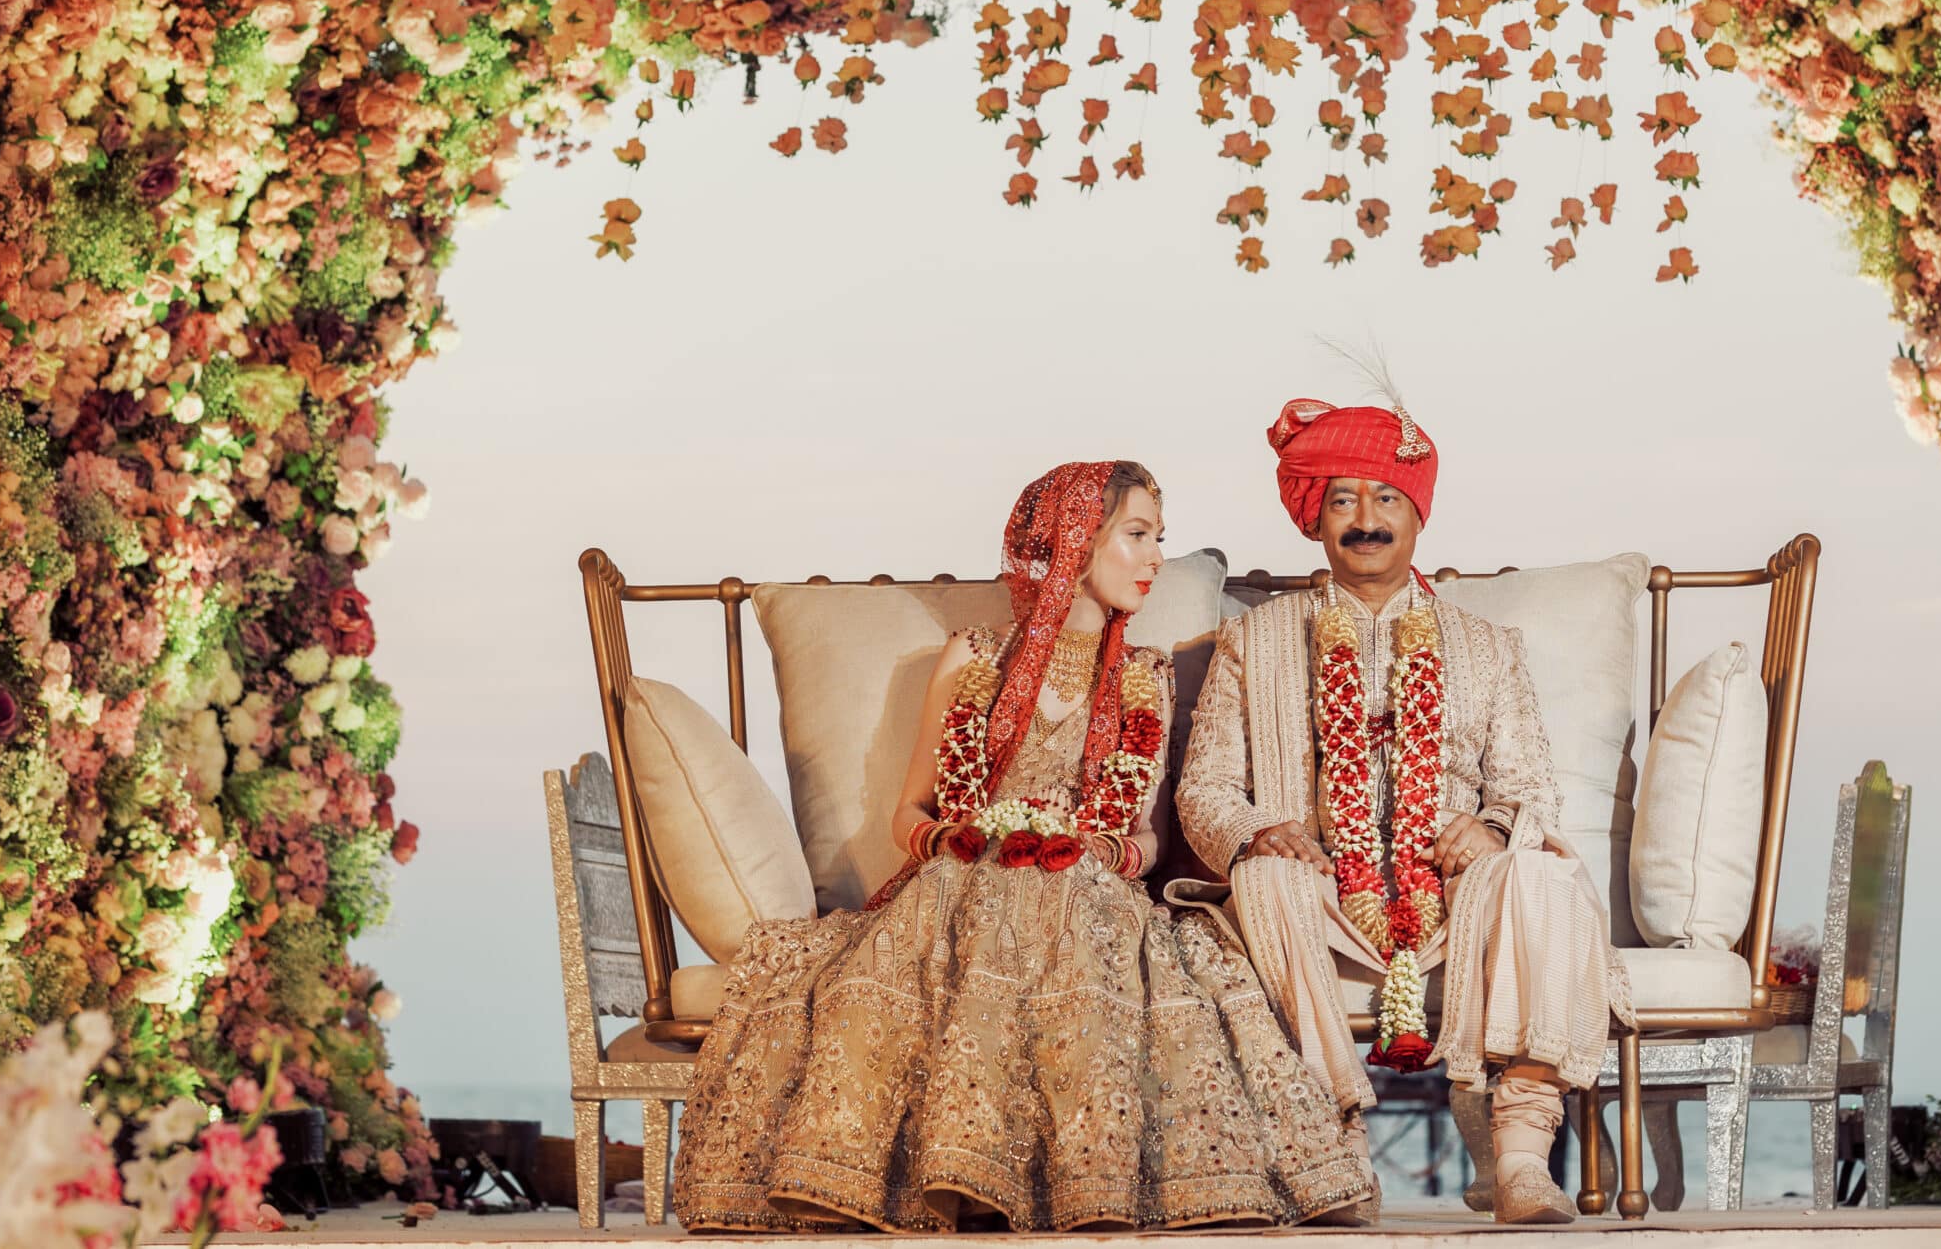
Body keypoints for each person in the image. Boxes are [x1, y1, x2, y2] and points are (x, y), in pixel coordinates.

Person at [674, 461, 1373, 1233]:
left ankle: (1069, 1179)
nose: (1153, 560)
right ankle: (962, 1174)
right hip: (966, 880)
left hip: (1091, 886)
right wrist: (960, 837)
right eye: (1137, 536)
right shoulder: (973, 656)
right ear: (1075, 543)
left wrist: (1097, 851)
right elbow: (911, 809)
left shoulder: (1146, 676)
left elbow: (1150, 835)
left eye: (1159, 540)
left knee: (1070, 896)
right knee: (987, 891)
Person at [1174, 397, 1630, 1226]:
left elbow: (1532, 785)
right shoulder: (1257, 639)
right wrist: (1255, 831)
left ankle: (1521, 1154)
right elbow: (1204, 788)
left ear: (1418, 512)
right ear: (1316, 517)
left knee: (1545, 874)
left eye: (1386, 497)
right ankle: (1335, 1148)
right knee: (1266, 876)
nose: (1365, 519)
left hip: (1458, 899)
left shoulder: (1488, 646)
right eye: (1343, 498)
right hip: (1320, 901)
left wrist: (1491, 825)